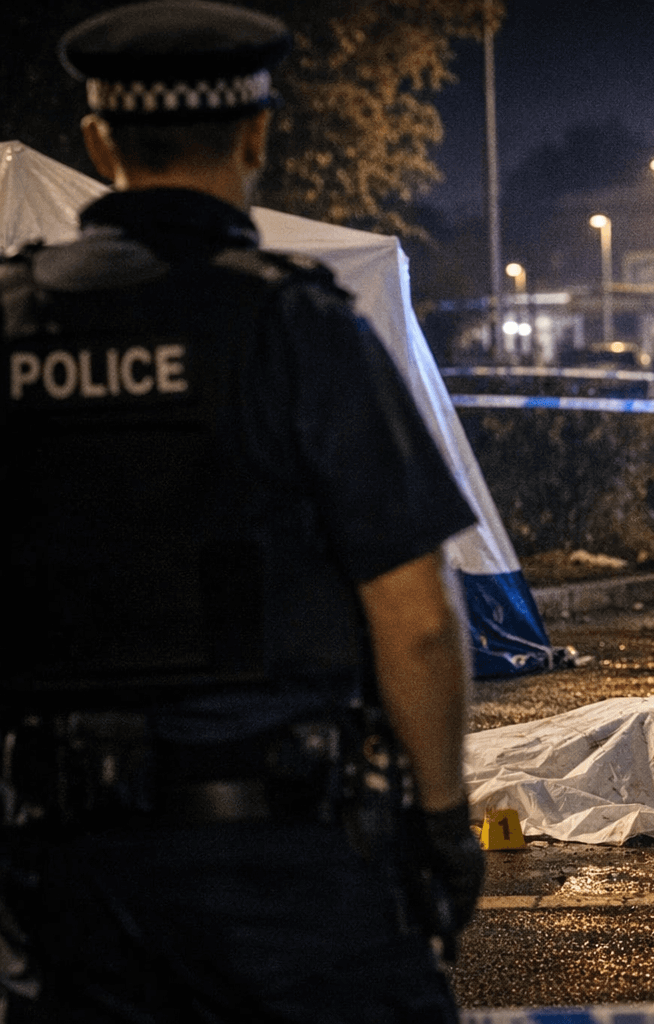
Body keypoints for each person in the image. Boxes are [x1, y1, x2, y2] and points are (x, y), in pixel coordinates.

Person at [2, 3, 483, 1019]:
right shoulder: (299, 326)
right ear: (256, 135)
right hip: (289, 871)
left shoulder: (14, 325)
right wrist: (442, 823)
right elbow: (420, 619)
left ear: (99, 143)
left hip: (66, 873)